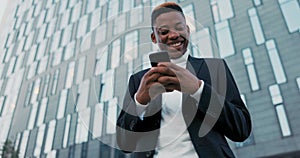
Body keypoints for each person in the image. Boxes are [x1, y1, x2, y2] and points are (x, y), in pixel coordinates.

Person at [116, 2, 251, 158]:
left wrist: (198, 89)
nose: (173, 35)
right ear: (154, 37)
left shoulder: (215, 68)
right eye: (164, 31)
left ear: (187, 30)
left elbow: (242, 129)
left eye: (179, 28)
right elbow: (124, 144)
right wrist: (140, 101)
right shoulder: (139, 80)